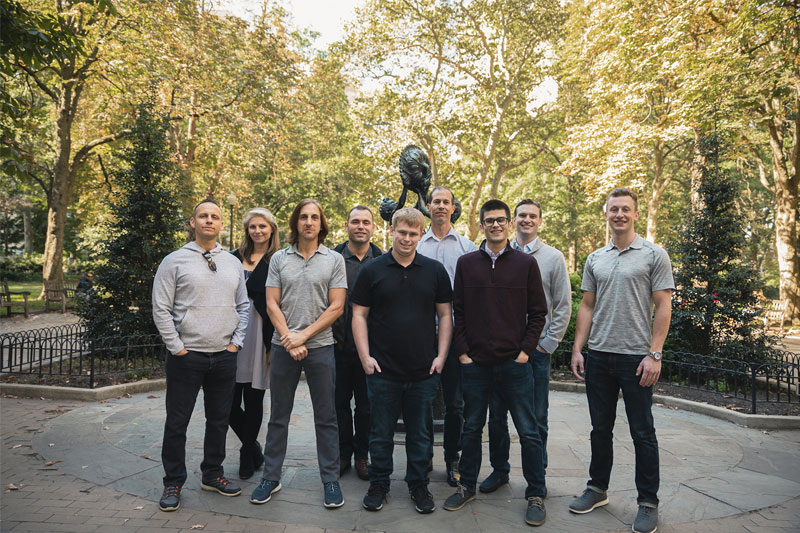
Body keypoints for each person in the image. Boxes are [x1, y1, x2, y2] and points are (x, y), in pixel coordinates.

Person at [569, 188, 674, 533]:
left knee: (643, 432)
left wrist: (654, 353)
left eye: (625, 209)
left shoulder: (654, 254)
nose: (619, 215)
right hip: (599, 356)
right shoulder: (596, 257)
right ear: (606, 213)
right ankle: (597, 489)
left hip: (636, 360)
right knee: (600, 430)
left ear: (635, 214)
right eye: (614, 209)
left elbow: (663, 305)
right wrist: (577, 349)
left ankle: (648, 503)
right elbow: (586, 306)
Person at [443, 199, 548, 527]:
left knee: (528, 431)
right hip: (476, 365)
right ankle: (467, 486)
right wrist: (462, 353)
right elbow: (456, 309)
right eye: (490, 220)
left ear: (510, 223)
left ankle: (535, 493)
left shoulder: (525, 265)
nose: (497, 225)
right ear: (481, 224)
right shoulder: (466, 263)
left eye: (502, 220)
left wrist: (525, 353)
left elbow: (539, 313)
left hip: (514, 366)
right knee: (472, 428)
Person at [350, 208, 453, 514]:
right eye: (402, 232)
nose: (407, 238)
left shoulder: (434, 271)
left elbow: (446, 315)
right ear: (391, 231)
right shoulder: (373, 270)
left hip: (424, 371)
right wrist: (365, 356)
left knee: (420, 435)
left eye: (413, 233)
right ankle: (379, 484)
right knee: (380, 433)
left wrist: (441, 357)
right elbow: (359, 315)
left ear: (422, 234)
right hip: (382, 370)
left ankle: (418, 485)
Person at [152, 199, 249, 512]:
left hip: (224, 355)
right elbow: (161, 308)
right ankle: (173, 481)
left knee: (219, 420)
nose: (209, 220)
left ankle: (212, 473)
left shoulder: (233, 262)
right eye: (203, 216)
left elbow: (244, 306)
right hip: (186, 357)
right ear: (192, 222)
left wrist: (235, 343)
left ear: (221, 224)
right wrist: (177, 347)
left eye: (215, 217)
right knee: (177, 423)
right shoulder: (174, 261)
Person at [250, 198, 347, 509]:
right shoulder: (279, 259)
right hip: (282, 347)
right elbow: (271, 304)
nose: (308, 222)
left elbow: (337, 306)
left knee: (327, 417)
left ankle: (330, 479)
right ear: (295, 223)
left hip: (321, 347)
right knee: (278, 416)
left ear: (321, 223)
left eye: (314, 217)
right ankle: (271, 476)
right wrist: (289, 338)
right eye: (303, 217)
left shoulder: (333, 259)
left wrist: (303, 335)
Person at [481, 199, 571, 493]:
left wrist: (545, 345)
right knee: (497, 416)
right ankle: (499, 470)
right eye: (521, 215)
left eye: (532, 216)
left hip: (535, 353)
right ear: (512, 221)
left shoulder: (553, 258)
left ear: (540, 221)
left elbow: (563, 306)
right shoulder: (496, 255)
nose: (526, 220)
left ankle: (537, 474)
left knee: (536, 417)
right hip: (500, 353)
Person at [415, 186, 477, 486]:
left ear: (454, 208)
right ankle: (423, 456)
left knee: (455, 405)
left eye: (446, 202)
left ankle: (453, 459)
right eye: (436, 202)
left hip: (456, 339)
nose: (441, 206)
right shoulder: (416, 244)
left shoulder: (467, 247)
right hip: (422, 336)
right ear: (428, 207)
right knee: (422, 399)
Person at [229, 208, 280, 480]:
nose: (258, 231)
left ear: (271, 229)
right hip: (232, 334)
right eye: (253, 227)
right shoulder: (233, 258)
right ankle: (255, 448)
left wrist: (275, 343)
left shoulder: (278, 260)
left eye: (263, 226)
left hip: (261, 333)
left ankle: (247, 452)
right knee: (228, 401)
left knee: (254, 397)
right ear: (247, 230)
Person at [332, 205, 382, 480]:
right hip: (337, 346)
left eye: (366, 222)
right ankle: (342, 455)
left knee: (366, 408)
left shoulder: (383, 260)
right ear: (347, 225)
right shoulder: (333, 258)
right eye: (355, 222)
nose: (361, 226)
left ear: (373, 227)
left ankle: (363, 456)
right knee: (338, 404)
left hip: (370, 350)